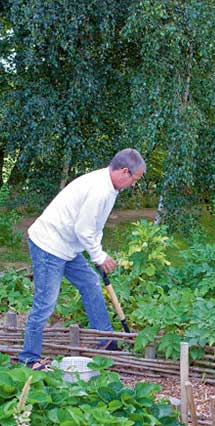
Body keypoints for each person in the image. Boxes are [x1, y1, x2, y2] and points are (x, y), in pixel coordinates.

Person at [18, 148, 145, 369]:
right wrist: (98, 256)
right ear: (125, 171)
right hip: (49, 245)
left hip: (68, 246)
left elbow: (95, 227)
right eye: (135, 179)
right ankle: (29, 359)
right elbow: (84, 229)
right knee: (45, 303)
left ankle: (106, 341)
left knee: (90, 283)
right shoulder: (100, 190)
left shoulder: (109, 188)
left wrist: (99, 253)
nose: (134, 184)